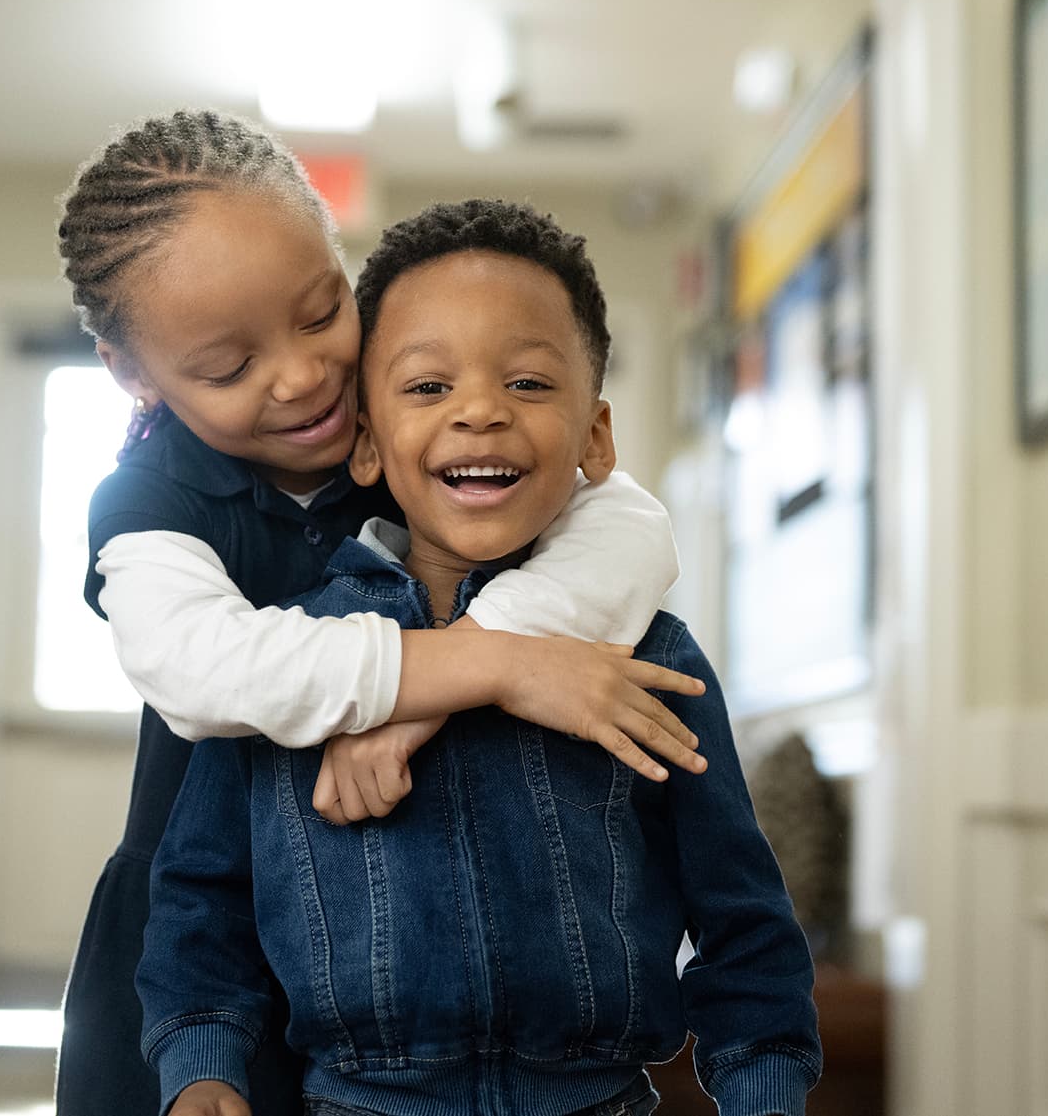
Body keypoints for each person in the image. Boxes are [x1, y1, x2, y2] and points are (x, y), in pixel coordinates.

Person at [54, 113, 711, 1115]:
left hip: (391, 931)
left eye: (321, 312)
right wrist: (489, 667)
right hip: (199, 944)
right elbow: (201, 668)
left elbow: (628, 526)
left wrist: (440, 679)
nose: (301, 375)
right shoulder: (143, 500)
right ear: (131, 371)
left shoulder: (409, 420)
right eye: (228, 367)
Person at [143, 199, 822, 1116]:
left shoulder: (651, 658)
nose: (479, 412)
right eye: (427, 386)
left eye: (529, 383)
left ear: (594, 436)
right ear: (367, 443)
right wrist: (201, 1062)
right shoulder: (292, 658)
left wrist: (765, 1090)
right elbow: (202, 898)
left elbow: (744, 921)